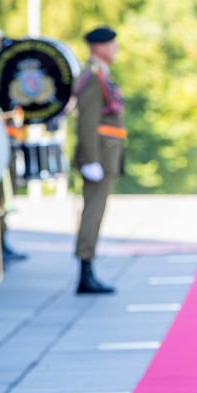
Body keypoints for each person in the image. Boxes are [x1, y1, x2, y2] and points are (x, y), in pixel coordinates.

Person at [73, 26, 125, 294]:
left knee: (96, 211)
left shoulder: (100, 74)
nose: (115, 49)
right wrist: (90, 158)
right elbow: (88, 120)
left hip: (105, 155)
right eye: (111, 44)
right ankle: (85, 270)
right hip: (99, 156)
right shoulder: (92, 76)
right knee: (92, 213)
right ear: (99, 47)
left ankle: (88, 268)